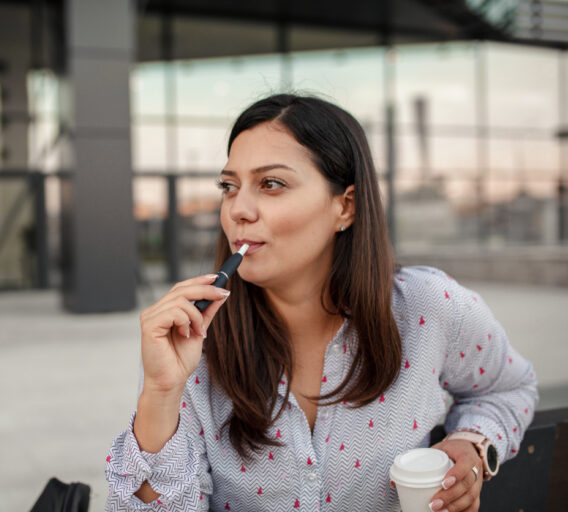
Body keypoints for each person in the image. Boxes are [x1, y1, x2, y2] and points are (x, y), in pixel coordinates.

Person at [104, 94, 538, 511]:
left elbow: (508, 388)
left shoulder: (428, 309)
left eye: (271, 184)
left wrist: (473, 443)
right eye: (229, 186)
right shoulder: (192, 341)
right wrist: (160, 395)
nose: (238, 209)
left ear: (345, 207)